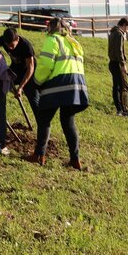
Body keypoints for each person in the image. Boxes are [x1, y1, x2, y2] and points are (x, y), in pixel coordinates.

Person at [25, 15, 89, 169]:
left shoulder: (52, 40)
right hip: (77, 85)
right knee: (68, 122)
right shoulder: (74, 42)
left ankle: (39, 155)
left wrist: (37, 82)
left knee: (44, 119)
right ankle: (75, 160)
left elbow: (46, 65)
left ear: (50, 28)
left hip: (59, 84)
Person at [108, 17, 128, 119]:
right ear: (124, 24)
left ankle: (119, 109)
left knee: (116, 86)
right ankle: (125, 110)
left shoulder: (112, 32)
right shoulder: (119, 34)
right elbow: (119, 50)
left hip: (112, 63)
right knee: (124, 87)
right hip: (117, 64)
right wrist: (123, 64)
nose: (127, 30)